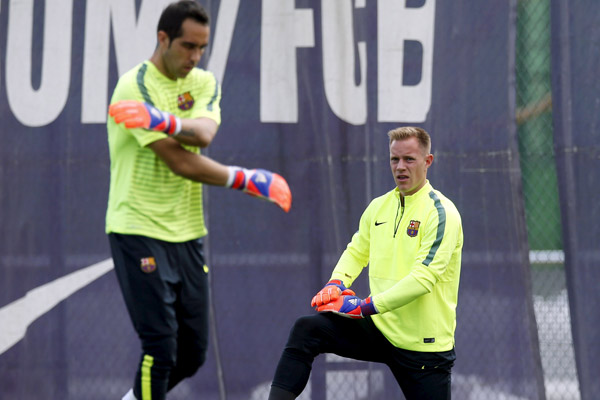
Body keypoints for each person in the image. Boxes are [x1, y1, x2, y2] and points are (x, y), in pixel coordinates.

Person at [105, 2, 291, 399]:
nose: (195, 56)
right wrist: (245, 179)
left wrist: (162, 120)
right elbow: (179, 161)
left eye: (202, 47)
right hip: (138, 228)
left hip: (188, 233)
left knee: (191, 354)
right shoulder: (134, 87)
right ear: (163, 39)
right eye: (188, 46)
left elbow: (203, 134)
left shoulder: (204, 82)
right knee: (160, 347)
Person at [268, 127, 463, 400]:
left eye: (409, 159)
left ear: (427, 161)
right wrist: (337, 282)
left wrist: (365, 306)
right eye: (394, 159)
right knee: (307, 330)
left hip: (422, 345)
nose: (400, 167)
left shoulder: (442, 213)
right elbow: (357, 251)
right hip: (379, 327)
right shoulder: (378, 207)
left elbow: (423, 279)